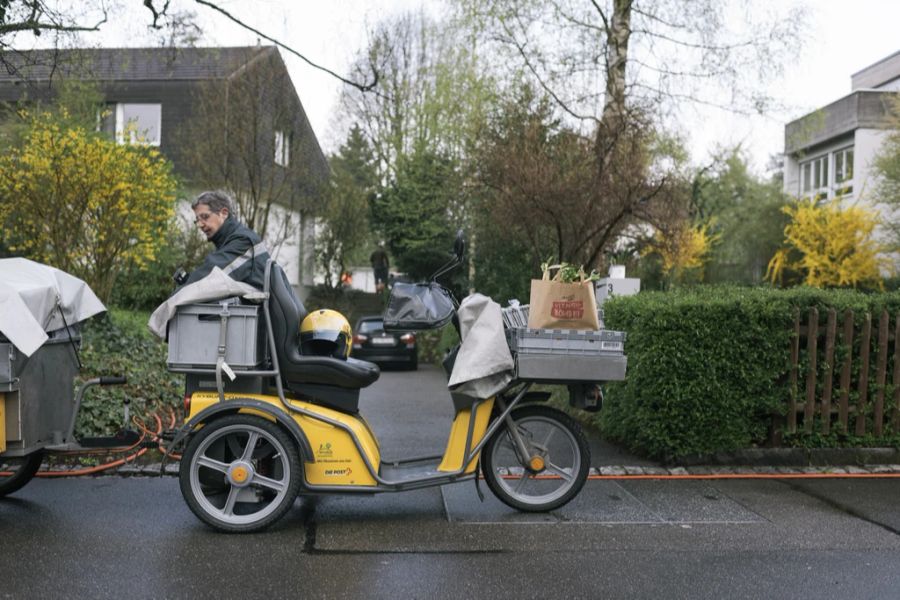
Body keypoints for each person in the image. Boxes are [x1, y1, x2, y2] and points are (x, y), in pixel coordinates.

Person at [183, 190, 269, 290]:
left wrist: (171, 302)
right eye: (197, 220)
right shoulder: (227, 243)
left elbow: (209, 278)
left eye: (205, 217)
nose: (200, 225)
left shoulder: (244, 241)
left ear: (224, 213)